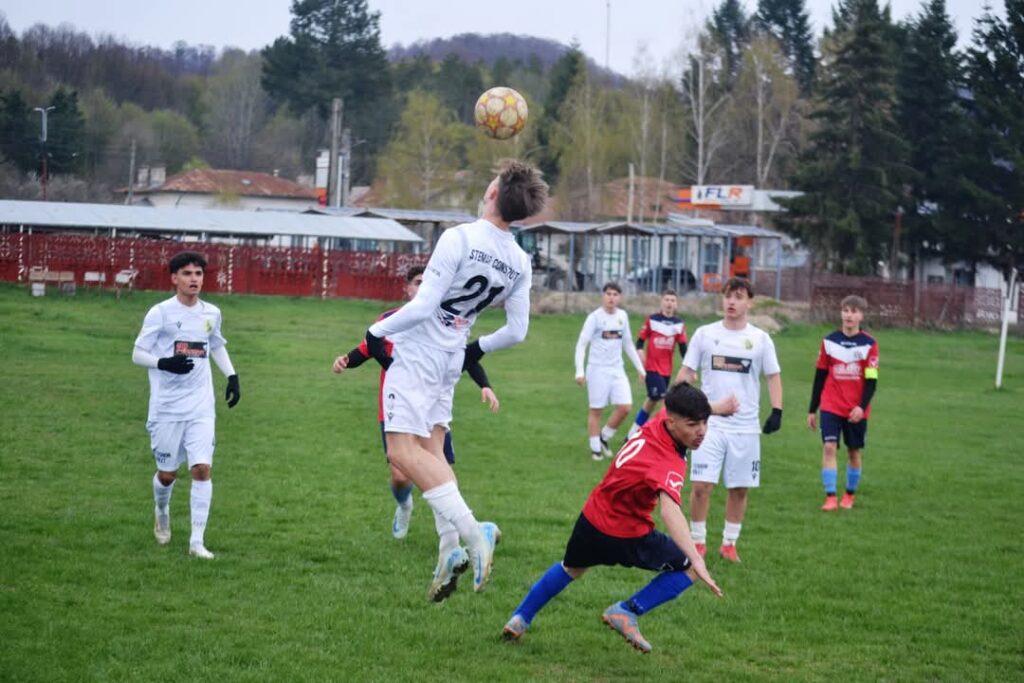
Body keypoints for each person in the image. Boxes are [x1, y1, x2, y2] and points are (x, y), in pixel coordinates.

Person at [360, 160, 548, 601]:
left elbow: (423, 307)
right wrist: (476, 349)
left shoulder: (459, 237)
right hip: (451, 355)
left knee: (400, 450)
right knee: (432, 451)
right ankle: (449, 551)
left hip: (420, 352)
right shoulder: (520, 259)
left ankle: (471, 529)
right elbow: (518, 331)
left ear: (492, 193)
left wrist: (375, 334)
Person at [501, 383, 723, 654]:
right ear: (672, 421)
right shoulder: (667, 461)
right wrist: (697, 558)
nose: (701, 432)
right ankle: (626, 611)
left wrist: (719, 409)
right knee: (689, 569)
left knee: (571, 568)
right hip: (627, 533)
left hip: (592, 517)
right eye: (693, 425)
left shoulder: (660, 422)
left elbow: (687, 414)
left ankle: (519, 618)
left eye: (705, 423)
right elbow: (670, 510)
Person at [333, 266, 500, 540]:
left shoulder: (446, 321)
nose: (423, 287)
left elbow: (462, 356)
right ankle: (404, 505)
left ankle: (452, 539)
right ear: (407, 288)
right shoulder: (390, 320)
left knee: (437, 469)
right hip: (396, 407)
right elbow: (366, 348)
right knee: (401, 477)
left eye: (428, 282)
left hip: (432, 410)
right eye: (417, 282)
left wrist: (485, 385)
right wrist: (345, 361)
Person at [132, 251, 240, 560]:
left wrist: (232, 376)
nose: (194, 279)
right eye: (187, 274)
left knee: (202, 469)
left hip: (200, 405)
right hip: (166, 407)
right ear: (174, 278)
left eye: (198, 274)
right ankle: (162, 509)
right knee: (167, 475)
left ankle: (196, 543)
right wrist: (163, 362)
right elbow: (137, 354)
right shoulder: (160, 313)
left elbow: (215, 344)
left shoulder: (211, 313)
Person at [675, 277, 782, 563]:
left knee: (739, 488)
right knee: (701, 486)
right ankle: (697, 543)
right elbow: (686, 371)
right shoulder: (705, 335)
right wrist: (679, 391)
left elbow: (773, 375)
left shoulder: (760, 339)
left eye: (738, 297)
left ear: (750, 302)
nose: (731, 302)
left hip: (746, 427)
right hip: (708, 424)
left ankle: (729, 543)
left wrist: (777, 410)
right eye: (727, 296)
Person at [807, 295, 878, 511]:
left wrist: (861, 406)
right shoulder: (829, 341)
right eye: (846, 310)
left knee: (853, 452)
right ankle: (830, 497)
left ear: (861, 316)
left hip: (856, 409)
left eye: (854, 311)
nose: (849, 315)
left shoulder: (869, 344)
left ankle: (849, 495)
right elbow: (819, 376)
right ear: (841, 313)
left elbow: (872, 381)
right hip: (831, 405)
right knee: (829, 447)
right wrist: (812, 409)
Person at [574, 282, 647, 460]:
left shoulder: (622, 316)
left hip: (617, 369)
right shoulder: (594, 318)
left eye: (615, 294)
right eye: (608, 294)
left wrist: (640, 368)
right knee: (596, 410)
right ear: (603, 296)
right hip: (597, 369)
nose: (611, 297)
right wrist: (579, 371)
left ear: (619, 297)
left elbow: (628, 343)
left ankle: (604, 438)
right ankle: (595, 450)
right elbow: (582, 344)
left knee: (625, 407)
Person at [627, 289, 688, 440]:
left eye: (672, 300)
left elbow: (683, 349)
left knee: (650, 402)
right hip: (652, 370)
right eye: (666, 300)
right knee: (665, 404)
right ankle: (659, 437)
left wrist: (689, 368)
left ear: (676, 304)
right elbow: (640, 342)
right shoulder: (652, 320)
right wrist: (640, 353)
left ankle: (631, 435)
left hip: (666, 371)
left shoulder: (679, 324)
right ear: (661, 302)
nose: (669, 303)